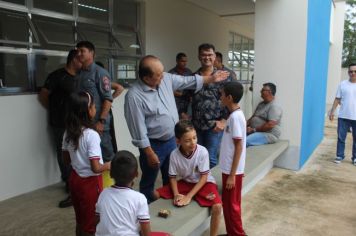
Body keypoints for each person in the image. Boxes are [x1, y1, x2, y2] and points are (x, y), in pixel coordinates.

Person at [124, 55, 229, 203]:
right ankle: (145, 212)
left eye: (163, 72)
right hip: (153, 145)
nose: (163, 77)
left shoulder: (165, 78)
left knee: (170, 177)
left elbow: (187, 81)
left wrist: (210, 79)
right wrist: (149, 153)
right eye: (159, 75)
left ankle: (168, 207)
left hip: (172, 140)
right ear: (147, 78)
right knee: (149, 180)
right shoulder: (134, 96)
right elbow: (138, 129)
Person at [155, 120, 222, 236]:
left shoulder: (202, 152)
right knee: (155, 194)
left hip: (204, 183)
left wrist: (188, 197)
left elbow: (204, 177)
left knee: (217, 206)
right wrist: (176, 194)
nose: (193, 143)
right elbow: (172, 178)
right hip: (186, 182)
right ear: (178, 141)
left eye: (195, 138)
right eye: (187, 140)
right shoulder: (174, 155)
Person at [62, 92, 111, 236]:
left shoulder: (68, 132)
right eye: (93, 106)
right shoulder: (91, 135)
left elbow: (66, 160)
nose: (95, 108)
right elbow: (96, 168)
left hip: (74, 179)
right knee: (91, 223)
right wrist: (110, 165)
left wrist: (78, 159)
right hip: (90, 183)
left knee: (80, 220)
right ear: (87, 110)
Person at [38, 49, 82, 208]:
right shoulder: (57, 76)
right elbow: (43, 94)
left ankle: (75, 182)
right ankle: (68, 182)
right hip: (59, 122)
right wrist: (54, 109)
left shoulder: (79, 77)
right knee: (63, 152)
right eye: (80, 60)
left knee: (77, 151)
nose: (82, 63)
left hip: (76, 122)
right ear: (73, 60)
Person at [76, 41, 115, 188]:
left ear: (92, 53)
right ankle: (98, 187)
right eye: (77, 51)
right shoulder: (79, 74)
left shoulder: (100, 73)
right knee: (91, 158)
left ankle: (112, 187)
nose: (79, 54)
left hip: (99, 125)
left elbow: (107, 99)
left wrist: (101, 121)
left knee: (106, 156)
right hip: (84, 125)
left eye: (82, 51)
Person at [191, 44, 234, 168]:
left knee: (211, 158)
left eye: (210, 54)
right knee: (197, 157)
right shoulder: (194, 77)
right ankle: (199, 184)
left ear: (214, 56)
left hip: (214, 126)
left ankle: (210, 185)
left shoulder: (224, 76)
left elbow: (232, 100)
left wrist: (224, 120)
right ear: (199, 56)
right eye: (203, 55)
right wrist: (184, 113)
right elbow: (185, 97)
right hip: (196, 125)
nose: (207, 57)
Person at [95, 150, 152, 236]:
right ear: (136, 174)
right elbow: (146, 231)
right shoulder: (139, 198)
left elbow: (98, 219)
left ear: (110, 174)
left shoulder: (103, 193)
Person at [219, 81, 247, 236]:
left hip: (231, 172)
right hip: (230, 170)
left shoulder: (236, 117)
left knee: (233, 206)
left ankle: (238, 234)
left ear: (229, 97)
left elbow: (239, 147)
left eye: (222, 94)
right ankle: (232, 233)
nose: (220, 97)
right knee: (228, 205)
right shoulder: (234, 115)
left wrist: (232, 175)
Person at [329, 63, 356, 165]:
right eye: (351, 71)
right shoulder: (343, 84)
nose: (353, 73)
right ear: (348, 72)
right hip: (343, 116)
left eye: (355, 71)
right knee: (341, 137)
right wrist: (332, 111)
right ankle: (340, 155)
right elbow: (337, 98)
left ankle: (355, 158)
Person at [246, 82, 282, 147]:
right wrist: (243, 126)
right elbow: (253, 118)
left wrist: (253, 130)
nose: (260, 91)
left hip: (269, 134)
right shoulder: (261, 104)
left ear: (269, 92)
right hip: (257, 131)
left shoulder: (274, 106)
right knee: (236, 137)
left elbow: (270, 125)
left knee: (245, 141)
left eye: (263, 90)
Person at [168, 52, 193, 120]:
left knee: (186, 125)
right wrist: (178, 94)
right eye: (182, 61)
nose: (185, 63)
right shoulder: (171, 73)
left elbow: (192, 87)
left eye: (186, 61)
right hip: (176, 104)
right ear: (177, 61)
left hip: (187, 104)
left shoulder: (189, 72)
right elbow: (168, 89)